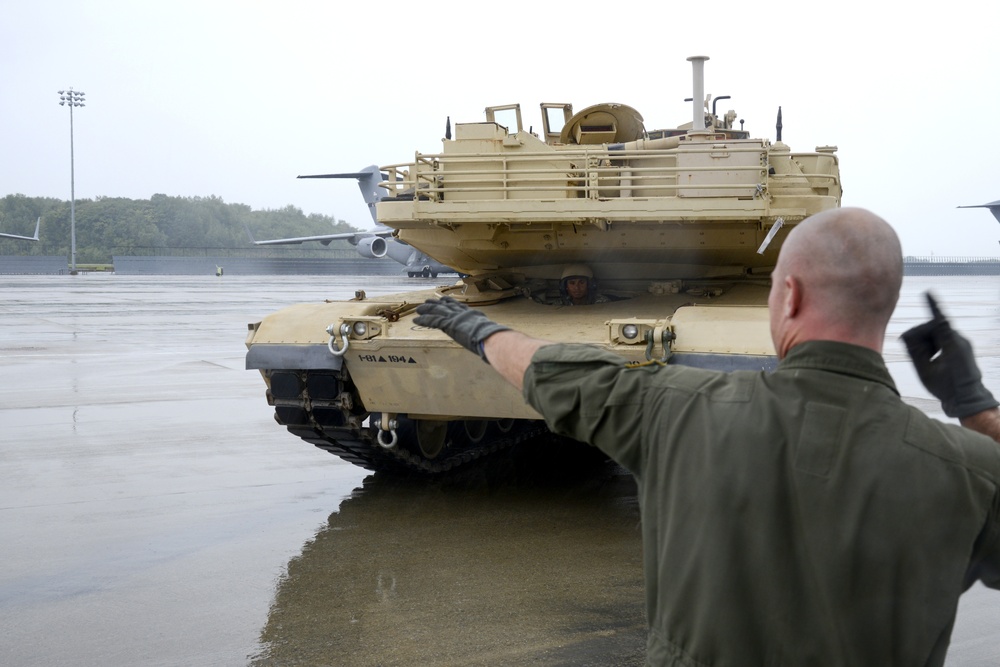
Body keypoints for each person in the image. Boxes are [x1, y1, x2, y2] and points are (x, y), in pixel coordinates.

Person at [414, 207, 1000, 666]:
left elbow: (558, 374)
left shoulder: (677, 409)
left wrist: (478, 328)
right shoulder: (971, 472)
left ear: (789, 295)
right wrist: (978, 411)